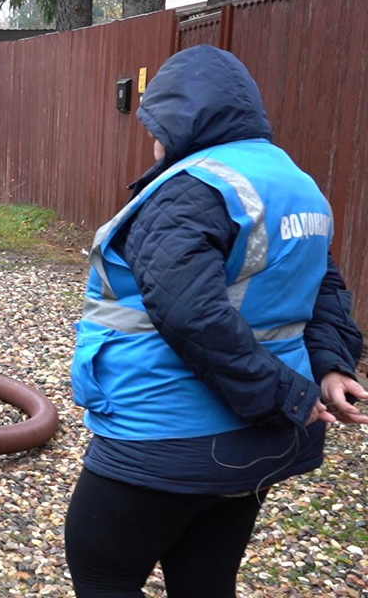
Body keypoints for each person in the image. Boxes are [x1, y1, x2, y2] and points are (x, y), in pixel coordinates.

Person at [65, 45, 366, 597]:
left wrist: (288, 397)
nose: (153, 141)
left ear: (180, 121)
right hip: (259, 440)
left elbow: (189, 312)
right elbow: (322, 285)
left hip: (163, 432)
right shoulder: (295, 182)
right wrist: (329, 364)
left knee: (102, 571)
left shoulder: (193, 189)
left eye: (156, 125)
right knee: (204, 580)